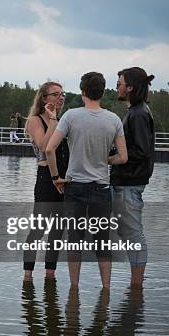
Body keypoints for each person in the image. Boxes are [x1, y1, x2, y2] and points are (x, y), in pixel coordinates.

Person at [45, 72, 128, 289]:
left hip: (75, 187)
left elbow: (49, 148)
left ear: (83, 93)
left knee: (75, 241)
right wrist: (104, 159)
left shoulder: (71, 116)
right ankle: (106, 290)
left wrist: (55, 178)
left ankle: (74, 290)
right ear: (102, 92)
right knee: (103, 243)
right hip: (101, 188)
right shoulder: (114, 120)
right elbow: (123, 157)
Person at [112, 67, 155, 288]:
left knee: (133, 234)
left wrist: (113, 158)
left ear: (130, 88)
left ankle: (137, 286)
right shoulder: (135, 111)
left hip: (129, 183)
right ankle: (135, 286)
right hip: (126, 182)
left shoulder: (138, 114)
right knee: (127, 232)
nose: (116, 86)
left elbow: (142, 151)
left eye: (119, 83)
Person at [23, 82, 69, 281]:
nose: (60, 97)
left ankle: (50, 273)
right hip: (46, 179)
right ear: (44, 98)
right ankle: (28, 274)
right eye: (55, 94)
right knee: (39, 228)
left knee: (58, 230)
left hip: (63, 178)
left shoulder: (63, 119)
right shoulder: (35, 120)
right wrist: (52, 121)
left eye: (62, 94)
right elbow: (43, 146)